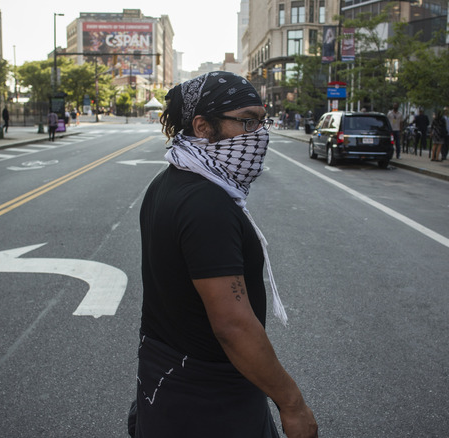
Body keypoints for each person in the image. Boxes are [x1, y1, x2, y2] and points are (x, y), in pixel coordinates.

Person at [132, 71, 317, 438]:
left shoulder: (169, 180)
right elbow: (233, 326)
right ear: (202, 126)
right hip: (208, 401)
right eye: (247, 122)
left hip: (168, 383)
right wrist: (293, 405)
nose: (260, 134)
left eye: (263, 122)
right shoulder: (206, 204)